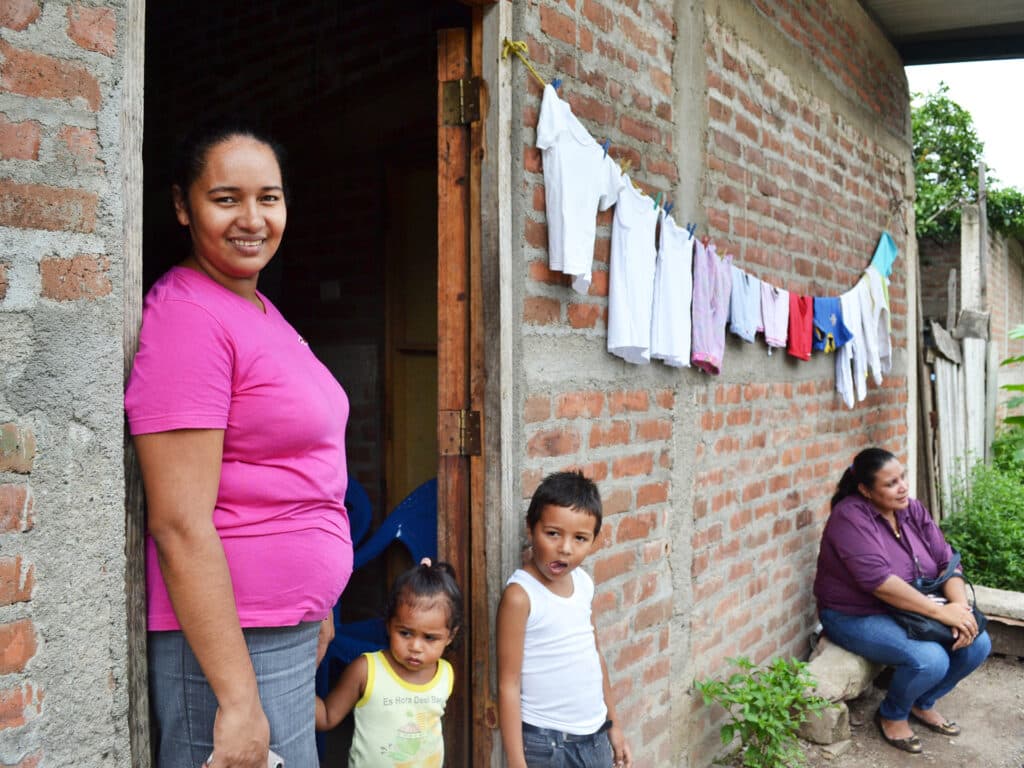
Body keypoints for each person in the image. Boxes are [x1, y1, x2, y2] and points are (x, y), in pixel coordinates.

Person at [125, 124, 353, 768]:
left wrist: (321, 604)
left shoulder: (256, 309)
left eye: (269, 198)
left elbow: (300, 474)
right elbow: (178, 522)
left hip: (281, 628)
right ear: (181, 206)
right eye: (226, 199)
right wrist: (236, 698)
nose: (252, 219)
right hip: (228, 648)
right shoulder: (187, 319)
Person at [813, 447, 990, 755]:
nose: (903, 487)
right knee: (930, 659)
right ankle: (892, 714)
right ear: (866, 490)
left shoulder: (912, 509)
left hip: (910, 609)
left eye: (902, 477)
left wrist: (959, 610)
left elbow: (947, 562)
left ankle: (921, 703)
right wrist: (942, 613)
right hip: (855, 614)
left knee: (978, 643)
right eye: (891, 483)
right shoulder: (849, 518)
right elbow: (880, 584)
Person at [497, 471, 633, 768]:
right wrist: (517, 763)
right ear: (531, 529)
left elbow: (595, 656)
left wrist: (614, 726)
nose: (566, 548)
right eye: (553, 533)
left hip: (595, 736)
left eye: (580, 538)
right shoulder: (521, 596)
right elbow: (508, 683)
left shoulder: (583, 583)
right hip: (547, 745)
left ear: (594, 541)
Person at [315, 559, 463, 767]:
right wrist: (293, 683)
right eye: (405, 633)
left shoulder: (445, 675)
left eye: (429, 638)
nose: (416, 647)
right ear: (388, 624)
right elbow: (327, 717)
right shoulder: (366, 670)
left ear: (450, 636)